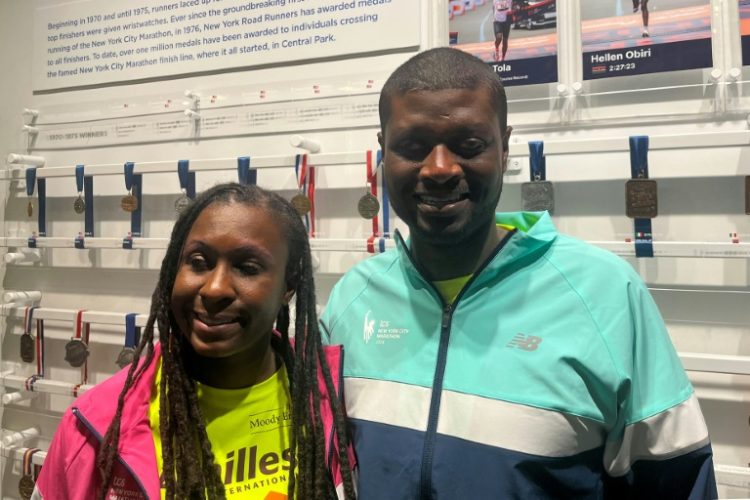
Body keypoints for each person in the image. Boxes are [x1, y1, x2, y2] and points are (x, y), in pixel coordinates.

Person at [321, 47, 717, 499]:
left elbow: (679, 484)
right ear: (383, 151)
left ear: (505, 146)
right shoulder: (352, 300)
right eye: (412, 148)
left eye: (469, 146)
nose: (439, 169)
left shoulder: (605, 293)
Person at [34, 183, 356, 500]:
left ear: (289, 286)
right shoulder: (95, 427)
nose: (215, 289)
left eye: (247, 268)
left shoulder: (328, 403)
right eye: (199, 262)